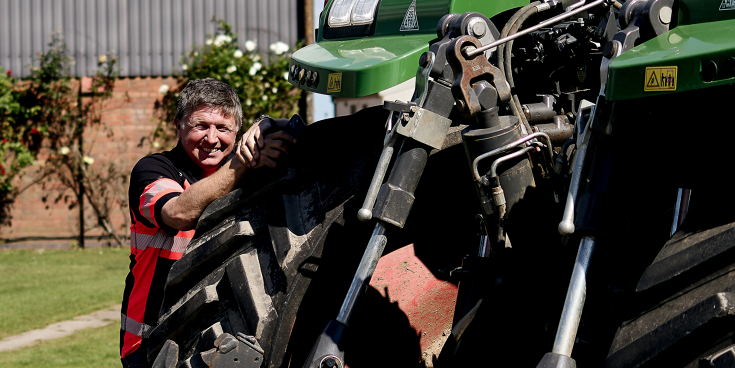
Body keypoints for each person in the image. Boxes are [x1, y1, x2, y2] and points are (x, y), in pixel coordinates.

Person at [120, 78, 295, 368]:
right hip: (153, 343)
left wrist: (266, 124)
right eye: (201, 125)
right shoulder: (154, 169)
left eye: (223, 128)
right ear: (178, 125)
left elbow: (310, 139)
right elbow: (177, 212)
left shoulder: (252, 164)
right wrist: (241, 162)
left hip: (230, 339)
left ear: (238, 131)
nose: (212, 139)